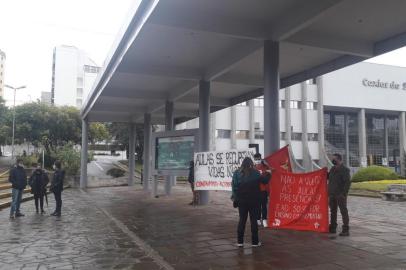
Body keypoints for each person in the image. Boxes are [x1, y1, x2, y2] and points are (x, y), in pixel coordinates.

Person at [231, 157, 270, 247]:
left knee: (242, 220)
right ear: (251, 164)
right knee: (253, 221)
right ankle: (255, 242)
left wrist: (235, 198)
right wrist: (268, 173)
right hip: (254, 201)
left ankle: (240, 242)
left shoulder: (237, 173)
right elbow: (265, 181)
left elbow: (234, 187)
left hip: (242, 201)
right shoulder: (256, 173)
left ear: (242, 164)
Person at [328, 153, 351, 236]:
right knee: (333, 211)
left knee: (343, 211)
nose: (332, 160)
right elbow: (328, 177)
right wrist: (323, 172)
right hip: (332, 194)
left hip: (340, 194)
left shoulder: (345, 169)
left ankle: (345, 229)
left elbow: (347, 183)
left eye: (334, 159)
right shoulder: (332, 168)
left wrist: (343, 194)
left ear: (339, 159)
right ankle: (333, 227)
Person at [253, 153, 272, 228]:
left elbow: (267, 179)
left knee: (264, 205)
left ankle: (264, 219)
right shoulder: (252, 167)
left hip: (263, 190)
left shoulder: (265, 167)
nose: (257, 160)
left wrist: (267, 174)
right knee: (257, 206)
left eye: (258, 159)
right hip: (255, 191)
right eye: (256, 159)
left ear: (261, 159)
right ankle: (257, 219)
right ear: (254, 160)